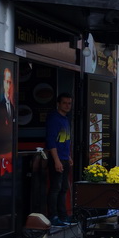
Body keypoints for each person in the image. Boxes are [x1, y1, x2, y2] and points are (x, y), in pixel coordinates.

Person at [46, 93, 73, 227]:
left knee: (63, 188)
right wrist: (56, 160)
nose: (67, 106)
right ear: (58, 104)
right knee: (55, 188)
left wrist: (68, 157)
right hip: (56, 158)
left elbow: (65, 140)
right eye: (64, 103)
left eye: (69, 103)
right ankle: (53, 216)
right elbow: (51, 141)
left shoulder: (66, 119)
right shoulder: (54, 119)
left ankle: (63, 216)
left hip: (64, 158)